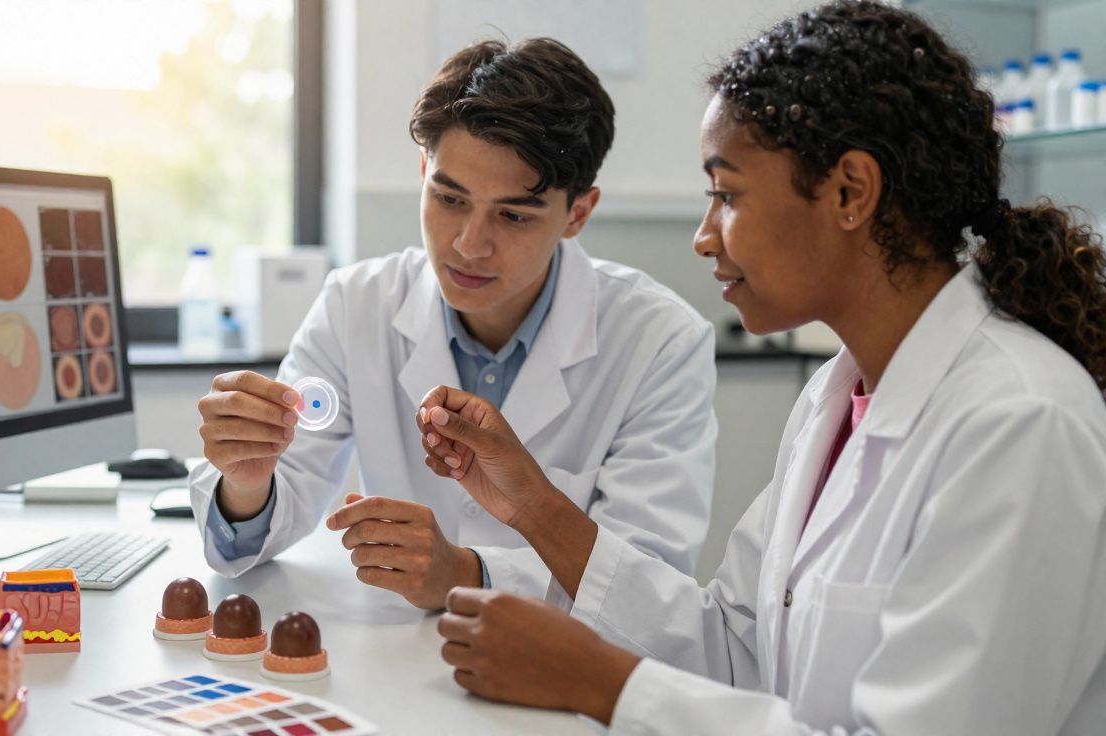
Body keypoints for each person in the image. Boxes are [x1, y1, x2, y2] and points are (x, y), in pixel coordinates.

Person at [421, 2, 1106, 732]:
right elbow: (731, 644)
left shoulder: (1022, 424)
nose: (703, 237)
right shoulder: (834, 400)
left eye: (727, 194)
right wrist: (532, 504)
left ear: (850, 192)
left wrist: (609, 685)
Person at [189, 38, 717, 610]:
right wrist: (247, 481)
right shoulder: (355, 306)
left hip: (559, 675)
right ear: (423, 173)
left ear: (578, 214)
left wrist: (468, 573)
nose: (469, 245)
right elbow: (272, 512)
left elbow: (648, 585)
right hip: (397, 664)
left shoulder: (660, 342)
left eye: (513, 215)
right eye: (449, 198)